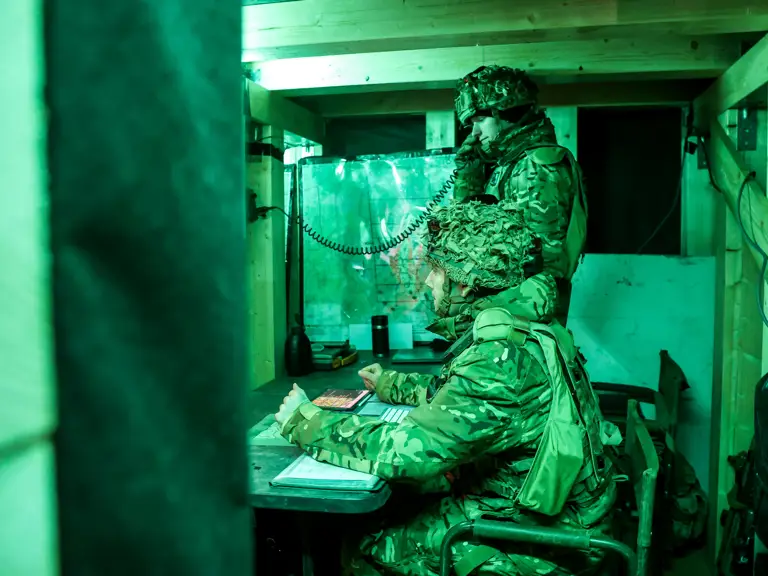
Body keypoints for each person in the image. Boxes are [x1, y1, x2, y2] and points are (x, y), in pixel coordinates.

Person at [274, 201, 619, 575]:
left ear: (465, 281)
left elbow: (406, 453)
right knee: (408, 499)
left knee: (365, 542)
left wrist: (304, 420)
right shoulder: (524, 328)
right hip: (549, 511)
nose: (427, 281)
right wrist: (389, 384)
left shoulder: (499, 361)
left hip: (545, 541)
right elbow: (462, 403)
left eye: (436, 270)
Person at [452, 65, 588, 325]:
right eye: (471, 124)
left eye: (480, 120)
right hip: (512, 308)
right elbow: (467, 235)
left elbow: (540, 264)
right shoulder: (509, 165)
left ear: (506, 112)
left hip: (527, 315)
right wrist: (469, 176)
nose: (475, 133)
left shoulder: (536, 163)